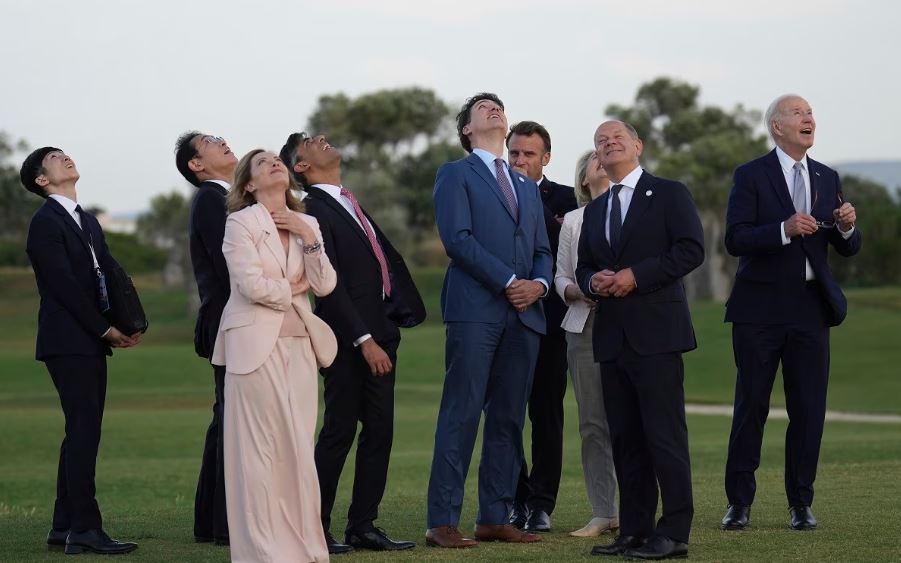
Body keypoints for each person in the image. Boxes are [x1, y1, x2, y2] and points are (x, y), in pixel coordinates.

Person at [721, 94, 861, 532]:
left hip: (809, 309)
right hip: (759, 309)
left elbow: (847, 247)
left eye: (811, 114)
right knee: (751, 407)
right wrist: (782, 230)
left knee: (808, 409)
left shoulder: (826, 176)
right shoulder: (751, 175)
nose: (809, 119)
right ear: (777, 127)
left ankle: (801, 503)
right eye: (799, 113)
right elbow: (735, 238)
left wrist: (846, 226)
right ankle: (738, 504)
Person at [279, 133, 424, 554]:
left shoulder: (348, 201)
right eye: (309, 142)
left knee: (380, 431)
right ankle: (314, 527)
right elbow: (328, 285)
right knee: (339, 431)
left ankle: (364, 525)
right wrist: (363, 339)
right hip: (346, 339)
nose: (321, 140)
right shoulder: (311, 211)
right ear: (301, 167)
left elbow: (383, 260)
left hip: (382, 332)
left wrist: (391, 319)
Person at [426, 93, 552, 549]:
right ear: (467, 130)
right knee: (461, 414)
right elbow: (457, 240)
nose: (494, 109)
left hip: (525, 316)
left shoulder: (525, 186)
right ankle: (442, 521)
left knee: (508, 420)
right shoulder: (455, 174)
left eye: (498, 105)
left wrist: (538, 284)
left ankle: (494, 517)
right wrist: (508, 280)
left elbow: (542, 249)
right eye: (483, 108)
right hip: (475, 312)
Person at [576, 120, 704, 560]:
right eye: (600, 141)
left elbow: (691, 249)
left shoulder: (669, 193)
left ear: (637, 146)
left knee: (664, 436)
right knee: (626, 438)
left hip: (657, 334)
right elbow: (583, 267)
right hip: (612, 337)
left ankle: (674, 533)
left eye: (616, 138)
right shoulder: (594, 209)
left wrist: (636, 276)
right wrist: (594, 280)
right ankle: (633, 531)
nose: (608, 143)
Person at [211, 149, 337, 562]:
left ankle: (306, 548)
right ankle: (262, 552)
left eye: (275, 160)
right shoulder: (239, 222)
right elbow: (249, 285)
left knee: (299, 448)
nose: (274, 163)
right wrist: (293, 288)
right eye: (262, 162)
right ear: (249, 183)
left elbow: (326, 284)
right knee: (259, 453)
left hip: (300, 344)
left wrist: (308, 235)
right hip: (253, 347)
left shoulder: (309, 222)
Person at [21, 147, 141, 555]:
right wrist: (104, 329)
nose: (66, 158)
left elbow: (107, 274)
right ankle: (86, 530)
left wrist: (126, 325)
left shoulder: (85, 220)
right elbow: (63, 287)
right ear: (42, 179)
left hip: (89, 339)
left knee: (80, 430)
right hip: (66, 340)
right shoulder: (44, 222)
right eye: (56, 157)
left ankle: (63, 526)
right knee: (84, 430)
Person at [506, 121, 577, 533]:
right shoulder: (493, 196)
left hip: (551, 323)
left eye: (528, 154)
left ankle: (541, 503)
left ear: (545, 158)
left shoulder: (568, 200)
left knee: (546, 414)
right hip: (504, 320)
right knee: (507, 413)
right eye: (514, 153)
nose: (519, 160)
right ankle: (514, 499)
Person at [175, 131, 238, 545]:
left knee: (226, 421)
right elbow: (230, 267)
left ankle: (212, 522)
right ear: (197, 165)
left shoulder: (224, 198)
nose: (224, 142)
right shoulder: (212, 200)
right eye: (213, 142)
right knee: (232, 421)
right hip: (231, 321)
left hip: (233, 320)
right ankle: (222, 524)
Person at [554, 150, 618, 538]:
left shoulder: (632, 211)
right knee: (593, 423)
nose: (602, 158)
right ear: (583, 180)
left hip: (630, 325)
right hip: (585, 326)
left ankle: (637, 509)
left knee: (632, 420)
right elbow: (560, 276)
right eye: (594, 158)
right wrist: (579, 290)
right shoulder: (574, 222)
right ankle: (603, 512)